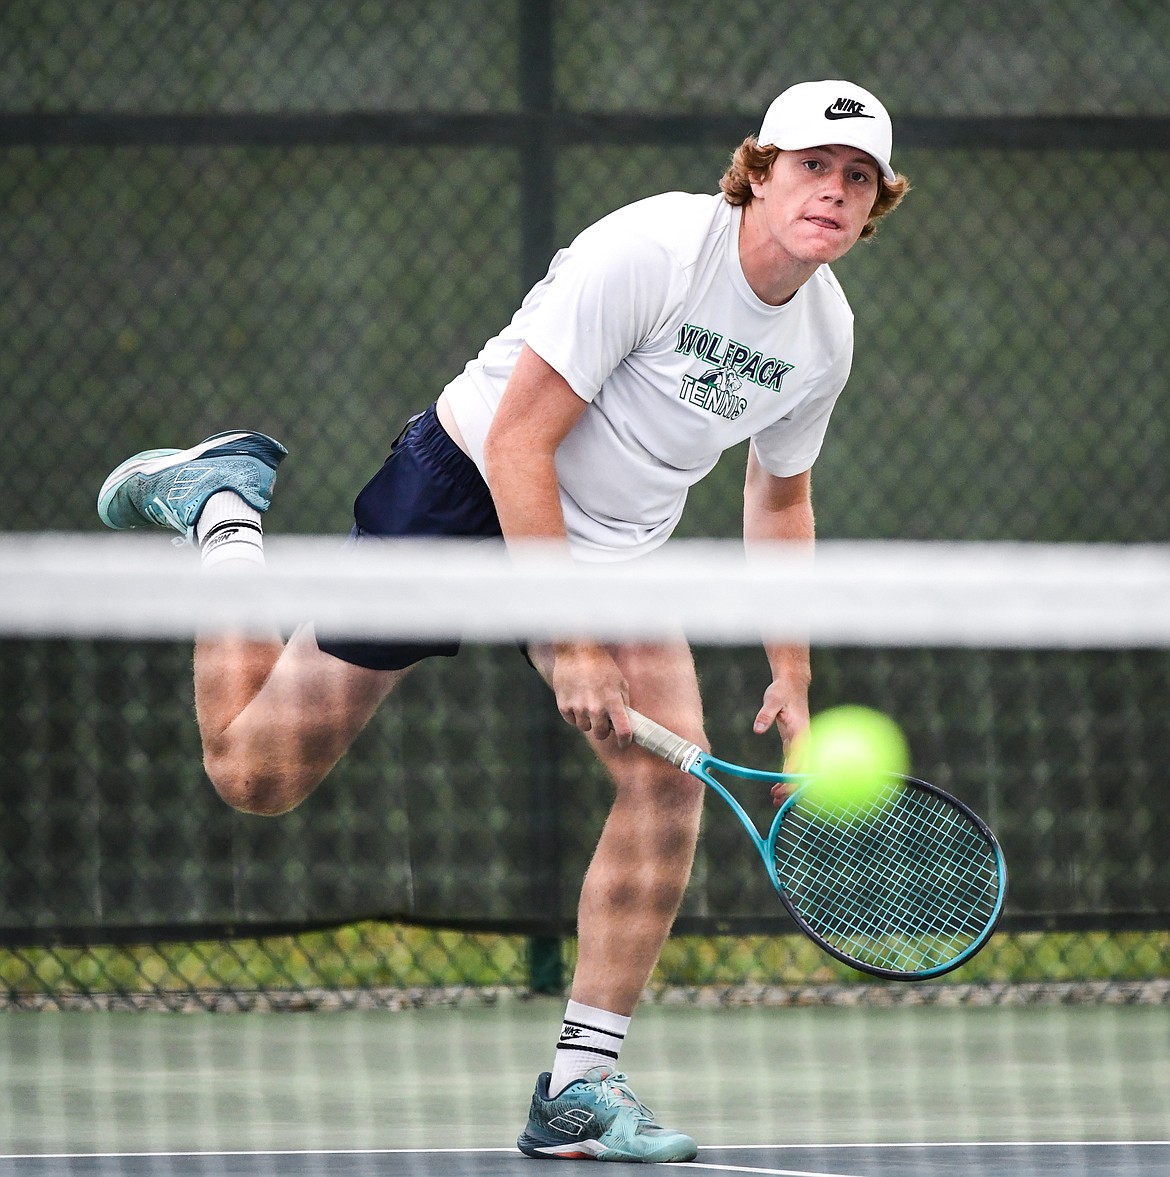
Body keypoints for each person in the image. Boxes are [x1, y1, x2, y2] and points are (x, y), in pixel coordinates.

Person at [96, 79, 909, 1162]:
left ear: (873, 206)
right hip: (469, 483)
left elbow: (780, 494)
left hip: (613, 548)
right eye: (814, 164)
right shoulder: (656, 251)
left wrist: (791, 670)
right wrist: (565, 633)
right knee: (255, 773)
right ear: (760, 168)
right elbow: (523, 443)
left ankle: (579, 1083)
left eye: (858, 178)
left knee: (672, 777)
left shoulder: (825, 334)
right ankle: (224, 515)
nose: (835, 190)